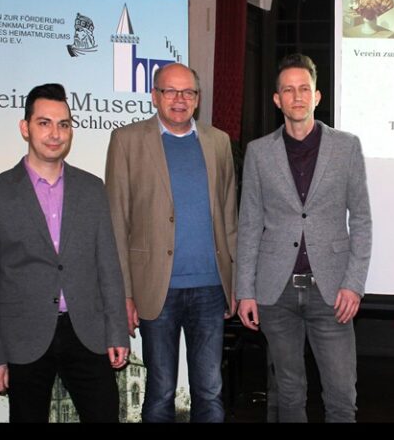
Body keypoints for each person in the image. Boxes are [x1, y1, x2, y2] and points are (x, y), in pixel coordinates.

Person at [0, 83, 129, 423]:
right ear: (25, 127)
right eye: (44, 123)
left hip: (86, 332)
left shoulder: (92, 189)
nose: (55, 134)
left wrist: (116, 332)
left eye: (64, 124)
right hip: (24, 336)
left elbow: (108, 267)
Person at [236, 54, 372, 422]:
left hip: (332, 293)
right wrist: (244, 290)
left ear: (317, 96)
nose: (297, 96)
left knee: (342, 397)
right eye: (288, 90)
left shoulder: (346, 147)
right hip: (275, 293)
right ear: (277, 99)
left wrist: (354, 285)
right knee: (288, 396)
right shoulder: (259, 152)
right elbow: (248, 223)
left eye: (304, 89)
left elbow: (361, 219)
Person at [105, 63, 237, 423]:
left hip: (210, 289)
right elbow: (117, 222)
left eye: (188, 92)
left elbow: (229, 216)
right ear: (155, 96)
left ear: (198, 98)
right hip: (155, 290)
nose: (180, 99)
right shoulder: (127, 141)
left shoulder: (219, 142)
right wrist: (125, 294)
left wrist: (234, 283)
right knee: (160, 393)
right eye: (170, 91)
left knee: (210, 393)